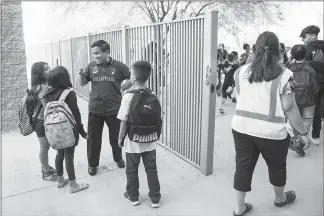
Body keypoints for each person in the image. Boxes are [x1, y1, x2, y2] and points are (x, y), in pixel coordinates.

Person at [231, 31, 312, 216]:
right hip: (272, 133)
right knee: (277, 166)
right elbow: (289, 107)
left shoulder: (239, 71)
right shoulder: (284, 75)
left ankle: (239, 208)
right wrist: (303, 133)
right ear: (278, 51)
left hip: (241, 128)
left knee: (242, 167)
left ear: (255, 49)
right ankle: (279, 198)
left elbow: (239, 97)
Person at [78, 40, 134, 176]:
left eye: (97, 53)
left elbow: (133, 77)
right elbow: (83, 83)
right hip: (95, 109)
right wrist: (80, 75)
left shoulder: (119, 66)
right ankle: (92, 165)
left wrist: (123, 88)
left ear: (107, 52)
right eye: (93, 54)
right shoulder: (91, 66)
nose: (95, 56)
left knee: (116, 137)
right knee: (93, 139)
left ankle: (118, 158)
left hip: (114, 109)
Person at [117, 61, 161, 208]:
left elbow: (123, 121)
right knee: (151, 169)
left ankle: (133, 196)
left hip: (133, 141)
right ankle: (155, 198)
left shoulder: (128, 96)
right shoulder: (153, 94)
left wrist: (120, 138)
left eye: (131, 72)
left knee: (131, 169)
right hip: (150, 139)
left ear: (134, 77)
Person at [45, 66, 89, 193]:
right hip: (69, 128)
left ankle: (60, 180)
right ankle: (73, 185)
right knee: (69, 154)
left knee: (59, 153)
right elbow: (76, 114)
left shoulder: (48, 94)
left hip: (54, 129)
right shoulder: (69, 93)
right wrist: (82, 132)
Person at [29, 62, 57, 181]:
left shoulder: (36, 86)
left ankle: (45, 167)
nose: (49, 70)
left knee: (45, 146)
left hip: (37, 121)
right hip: (41, 121)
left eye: (49, 68)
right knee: (44, 147)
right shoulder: (43, 87)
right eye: (46, 69)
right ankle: (46, 173)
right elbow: (47, 108)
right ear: (39, 73)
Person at [287, 45, 318, 156]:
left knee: (294, 119)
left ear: (292, 55)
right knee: (307, 119)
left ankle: (296, 139)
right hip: (308, 99)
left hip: (293, 99)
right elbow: (315, 88)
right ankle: (302, 139)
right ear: (305, 54)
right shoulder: (310, 69)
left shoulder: (288, 69)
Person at [300, 25, 324, 145]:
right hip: (321, 82)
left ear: (313, 36)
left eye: (305, 37)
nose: (303, 39)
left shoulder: (310, 47)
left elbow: (305, 65)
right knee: (317, 108)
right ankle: (316, 135)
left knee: (308, 108)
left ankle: (302, 136)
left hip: (311, 83)